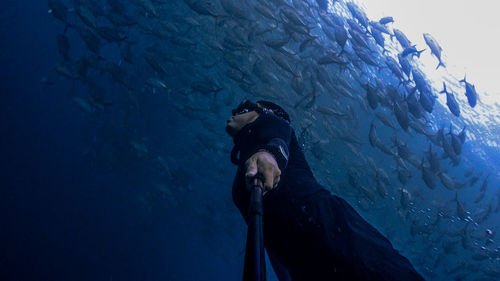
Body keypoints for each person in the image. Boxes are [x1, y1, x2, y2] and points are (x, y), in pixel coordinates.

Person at [226, 99, 425, 281]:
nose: (234, 113)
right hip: (307, 266)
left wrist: (270, 154)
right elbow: (270, 244)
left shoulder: (272, 126)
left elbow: (277, 132)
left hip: (346, 240)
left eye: (242, 109)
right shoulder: (243, 175)